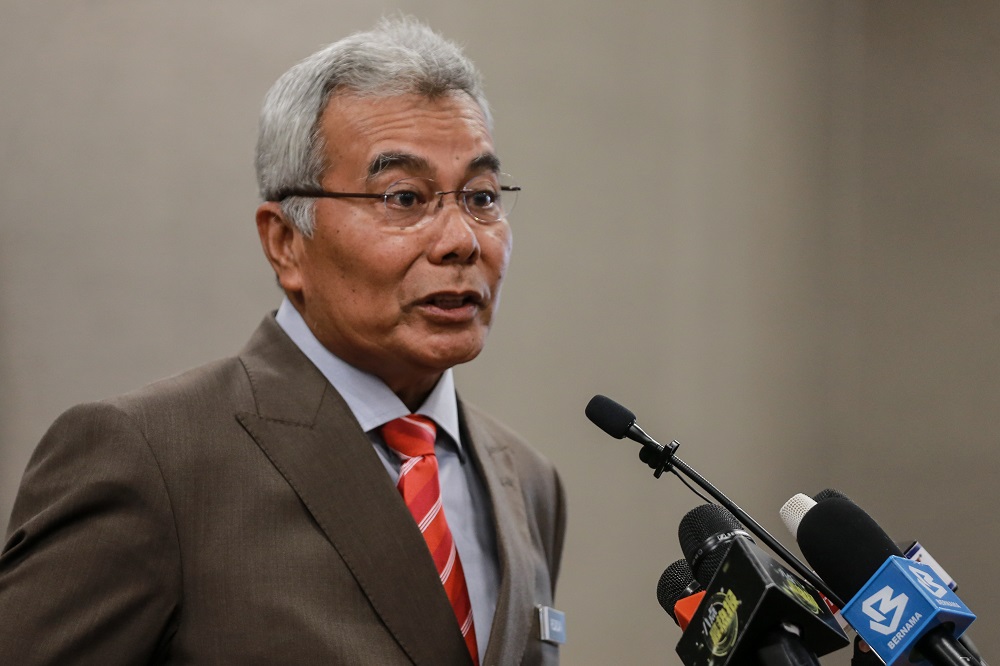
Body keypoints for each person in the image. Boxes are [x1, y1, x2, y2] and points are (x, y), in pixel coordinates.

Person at [0, 17, 566, 665]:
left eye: (482, 197)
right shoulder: (153, 460)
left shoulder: (528, 481)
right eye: (404, 197)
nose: (461, 240)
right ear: (285, 242)